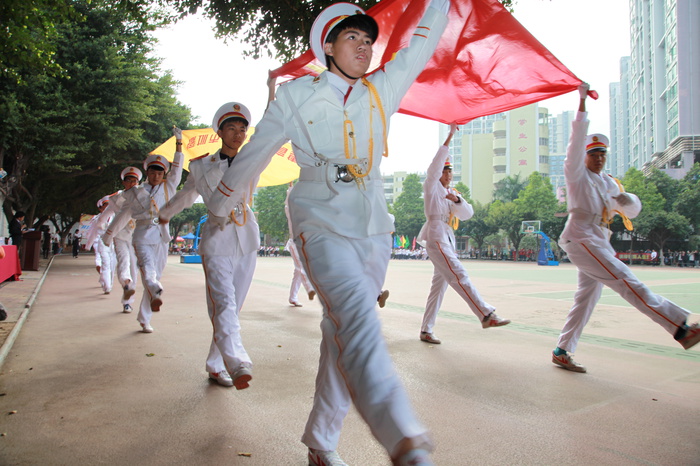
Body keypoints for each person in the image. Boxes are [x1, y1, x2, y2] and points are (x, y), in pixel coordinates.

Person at [204, 2, 450, 465]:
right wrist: (220, 205)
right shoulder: (296, 97)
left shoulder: (381, 89)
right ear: (329, 47)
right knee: (356, 316)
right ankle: (404, 437)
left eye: (369, 40)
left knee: (340, 329)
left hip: (374, 224)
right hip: (318, 218)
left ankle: (321, 441)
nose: (365, 46)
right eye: (353, 38)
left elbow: (421, 44)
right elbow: (254, 155)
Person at [552, 83, 700, 373]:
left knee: (586, 299)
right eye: (593, 153)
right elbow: (576, 138)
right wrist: (582, 101)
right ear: (583, 156)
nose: (598, 158)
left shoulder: (608, 182)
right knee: (626, 280)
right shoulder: (576, 175)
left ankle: (562, 350)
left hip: (599, 239)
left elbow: (632, 209)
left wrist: (624, 197)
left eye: (602, 154)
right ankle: (681, 327)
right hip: (581, 237)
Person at [159, 104, 257, 389]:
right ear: (219, 131)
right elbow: (187, 195)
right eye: (232, 128)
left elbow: (270, 136)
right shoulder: (201, 166)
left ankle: (216, 365)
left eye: (243, 129)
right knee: (223, 302)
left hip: (246, 239)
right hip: (217, 238)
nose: (238, 135)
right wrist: (165, 214)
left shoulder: (251, 159)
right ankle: (236, 361)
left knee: (232, 306)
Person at [417, 124, 510, 345]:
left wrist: (457, 200)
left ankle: (426, 330)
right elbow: (434, 167)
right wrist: (449, 137)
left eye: (450, 171)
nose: (448, 175)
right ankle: (485, 314)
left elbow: (467, 214)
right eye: (445, 171)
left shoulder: (451, 193)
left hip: (446, 237)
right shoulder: (431, 186)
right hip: (436, 235)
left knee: (439, 287)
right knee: (459, 274)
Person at [102, 127, 184, 333]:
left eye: (160, 172)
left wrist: (179, 143)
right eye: (153, 171)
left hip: (162, 236)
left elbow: (178, 168)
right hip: (141, 235)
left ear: (164, 173)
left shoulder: (169, 187)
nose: (156, 175)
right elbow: (123, 215)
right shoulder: (135, 192)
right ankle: (154, 289)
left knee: (157, 275)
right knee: (148, 269)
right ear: (146, 172)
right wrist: (109, 234)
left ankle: (144, 317)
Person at [100, 167, 143, 313]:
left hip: (135, 237)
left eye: (134, 181)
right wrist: (104, 232)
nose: (131, 183)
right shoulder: (117, 197)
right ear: (123, 182)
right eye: (128, 180)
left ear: (138, 182)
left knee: (133, 268)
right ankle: (126, 283)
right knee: (123, 263)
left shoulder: (143, 195)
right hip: (119, 236)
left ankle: (127, 301)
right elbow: (106, 214)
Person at [284, 183, 315, 307]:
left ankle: (293, 297)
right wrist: (290, 189)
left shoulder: (307, 215)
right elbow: (288, 204)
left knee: (297, 273)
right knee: (300, 267)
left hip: (305, 244)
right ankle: (310, 288)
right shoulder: (291, 212)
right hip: (295, 244)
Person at [85, 195, 117, 294]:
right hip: (103, 243)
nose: (107, 207)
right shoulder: (98, 219)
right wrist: (88, 245)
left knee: (113, 265)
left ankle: (108, 282)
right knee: (105, 263)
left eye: (109, 205)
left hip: (114, 243)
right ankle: (107, 286)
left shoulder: (117, 217)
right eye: (105, 205)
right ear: (101, 208)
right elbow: (93, 233)